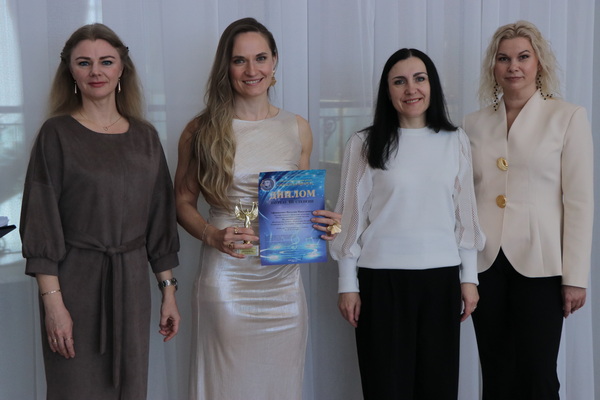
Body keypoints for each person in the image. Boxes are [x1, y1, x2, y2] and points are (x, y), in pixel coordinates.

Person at [174, 17, 340, 400]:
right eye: (240, 60)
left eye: (260, 58)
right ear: (226, 66)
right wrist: (212, 235)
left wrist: (325, 223)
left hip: (284, 284)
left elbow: (298, 204)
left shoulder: (298, 127)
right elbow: (181, 202)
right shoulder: (200, 130)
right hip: (227, 278)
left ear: (274, 60)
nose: (252, 70)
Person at [19, 23, 180, 400]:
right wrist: (54, 305)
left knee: (131, 389)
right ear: (71, 72)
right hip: (74, 287)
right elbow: (41, 224)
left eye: (106, 61)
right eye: (84, 63)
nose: (96, 71)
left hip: (132, 288)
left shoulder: (145, 138)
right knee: (75, 388)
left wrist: (168, 291)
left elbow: (159, 220)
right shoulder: (56, 134)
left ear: (122, 68)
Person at [331, 48, 485, 399]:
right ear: (388, 91)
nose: (411, 89)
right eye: (399, 81)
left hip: (441, 281)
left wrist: (469, 279)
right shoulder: (364, 143)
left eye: (419, 79)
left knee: (437, 388)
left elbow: (465, 216)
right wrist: (347, 283)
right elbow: (350, 219)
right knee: (385, 387)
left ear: (432, 86)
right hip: (381, 283)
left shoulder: (455, 140)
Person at [463, 20, 593, 400]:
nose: (513, 67)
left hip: (542, 265)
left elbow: (579, 201)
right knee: (496, 375)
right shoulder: (472, 124)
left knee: (538, 376)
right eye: (503, 59)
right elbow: (463, 198)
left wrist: (576, 276)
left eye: (523, 57)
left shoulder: (567, 117)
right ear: (493, 66)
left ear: (539, 63)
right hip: (486, 263)